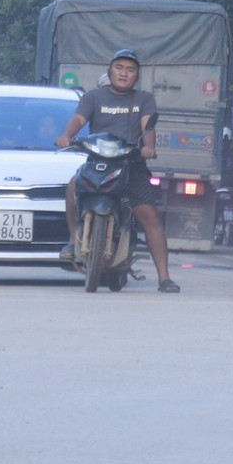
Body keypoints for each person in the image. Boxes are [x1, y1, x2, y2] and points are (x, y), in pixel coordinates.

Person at [55, 47, 181, 293]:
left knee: (150, 217)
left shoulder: (143, 99)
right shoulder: (93, 97)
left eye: (131, 69)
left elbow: (148, 125)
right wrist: (66, 136)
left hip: (131, 166)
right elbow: (79, 119)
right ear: (110, 70)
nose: (124, 73)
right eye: (119, 67)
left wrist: (148, 146)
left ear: (137, 75)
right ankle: (72, 241)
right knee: (72, 187)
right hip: (97, 163)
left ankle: (164, 277)